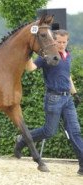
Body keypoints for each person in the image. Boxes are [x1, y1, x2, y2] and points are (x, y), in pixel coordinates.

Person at [14, 29, 83, 175]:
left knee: (75, 132)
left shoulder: (67, 56)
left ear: (67, 42)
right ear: (53, 41)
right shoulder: (47, 57)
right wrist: (29, 55)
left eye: (64, 42)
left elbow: (67, 75)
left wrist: (74, 93)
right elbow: (31, 68)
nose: (61, 45)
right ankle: (23, 139)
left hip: (68, 99)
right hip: (54, 99)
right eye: (58, 42)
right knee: (49, 131)